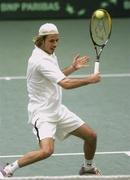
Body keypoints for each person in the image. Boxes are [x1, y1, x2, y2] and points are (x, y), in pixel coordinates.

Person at [0, 23, 101, 177]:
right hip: (42, 113)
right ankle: (7, 169)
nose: (55, 44)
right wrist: (90, 79)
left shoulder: (48, 54)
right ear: (41, 40)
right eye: (52, 41)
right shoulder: (40, 60)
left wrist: (72, 68)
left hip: (57, 110)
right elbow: (65, 84)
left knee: (91, 136)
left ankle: (88, 167)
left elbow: (56, 75)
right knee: (47, 151)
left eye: (57, 40)